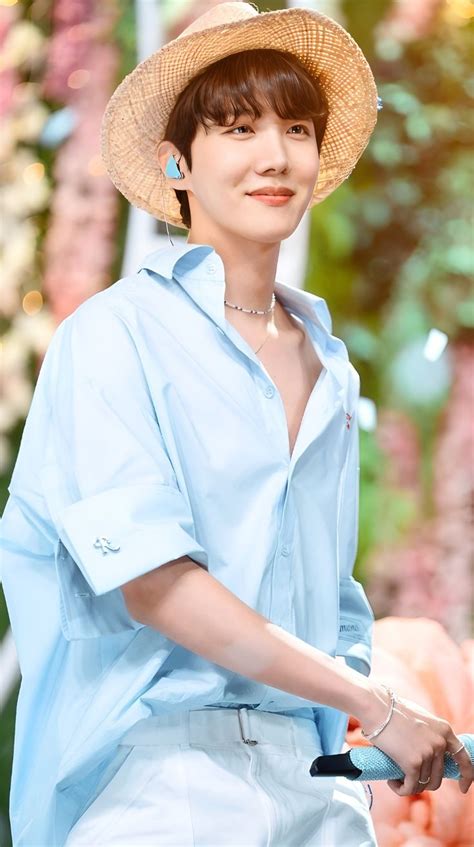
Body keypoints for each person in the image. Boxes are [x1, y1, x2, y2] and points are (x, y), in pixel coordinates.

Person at [1, 3, 471, 846]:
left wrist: (378, 716)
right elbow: (157, 586)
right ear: (176, 158)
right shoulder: (114, 337)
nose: (274, 155)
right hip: (157, 775)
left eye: (296, 126)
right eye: (238, 126)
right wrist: (377, 704)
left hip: (317, 778)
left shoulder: (330, 365)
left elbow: (332, 604)